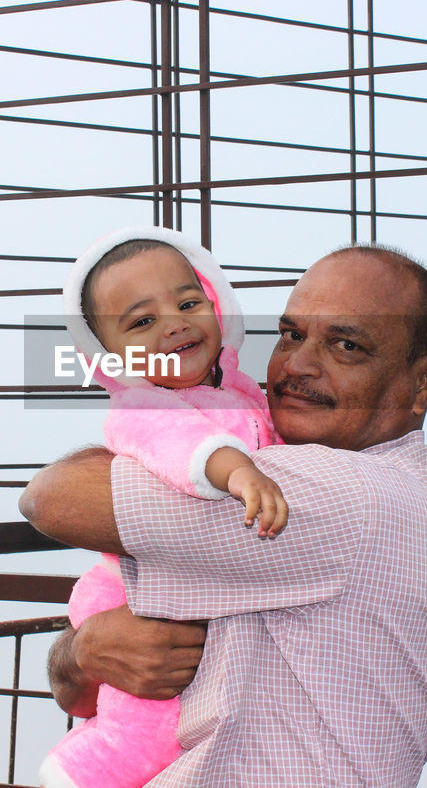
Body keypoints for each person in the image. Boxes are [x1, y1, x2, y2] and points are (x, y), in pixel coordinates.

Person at [21, 244, 427, 787]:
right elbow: (84, 685)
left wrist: (82, 654)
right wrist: (84, 653)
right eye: (292, 335)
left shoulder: (348, 495)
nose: (297, 365)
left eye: (346, 345)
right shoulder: (290, 468)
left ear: (424, 383)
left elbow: (51, 499)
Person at [39, 226, 287, 788]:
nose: (174, 322)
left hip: (190, 578)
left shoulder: (240, 390)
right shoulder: (142, 405)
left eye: (188, 301)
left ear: (218, 305)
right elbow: (183, 448)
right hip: (139, 590)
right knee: (146, 714)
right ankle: (85, 771)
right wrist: (240, 470)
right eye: (142, 321)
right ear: (108, 355)